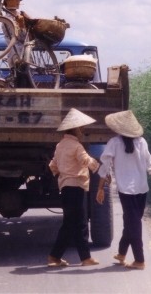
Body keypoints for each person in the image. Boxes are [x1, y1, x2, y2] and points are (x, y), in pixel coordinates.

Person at [96, 110, 151, 270]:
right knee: (132, 222)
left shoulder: (114, 143)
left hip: (126, 190)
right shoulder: (141, 142)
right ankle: (122, 253)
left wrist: (100, 188)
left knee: (133, 224)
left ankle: (139, 260)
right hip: (142, 189)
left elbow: (104, 166)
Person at [47, 108, 101, 267]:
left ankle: (66, 257)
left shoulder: (60, 145)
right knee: (79, 223)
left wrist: (63, 175)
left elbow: (53, 165)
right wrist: (100, 169)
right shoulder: (76, 146)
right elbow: (86, 160)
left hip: (65, 187)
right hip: (76, 187)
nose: (83, 130)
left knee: (73, 222)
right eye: (81, 128)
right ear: (75, 129)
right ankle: (66, 257)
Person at [2, 0, 33, 87]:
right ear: (7, 1)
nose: (18, 1)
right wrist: (21, 25)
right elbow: (20, 37)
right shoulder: (8, 19)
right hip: (17, 57)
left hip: (24, 57)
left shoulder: (19, 15)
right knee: (22, 87)